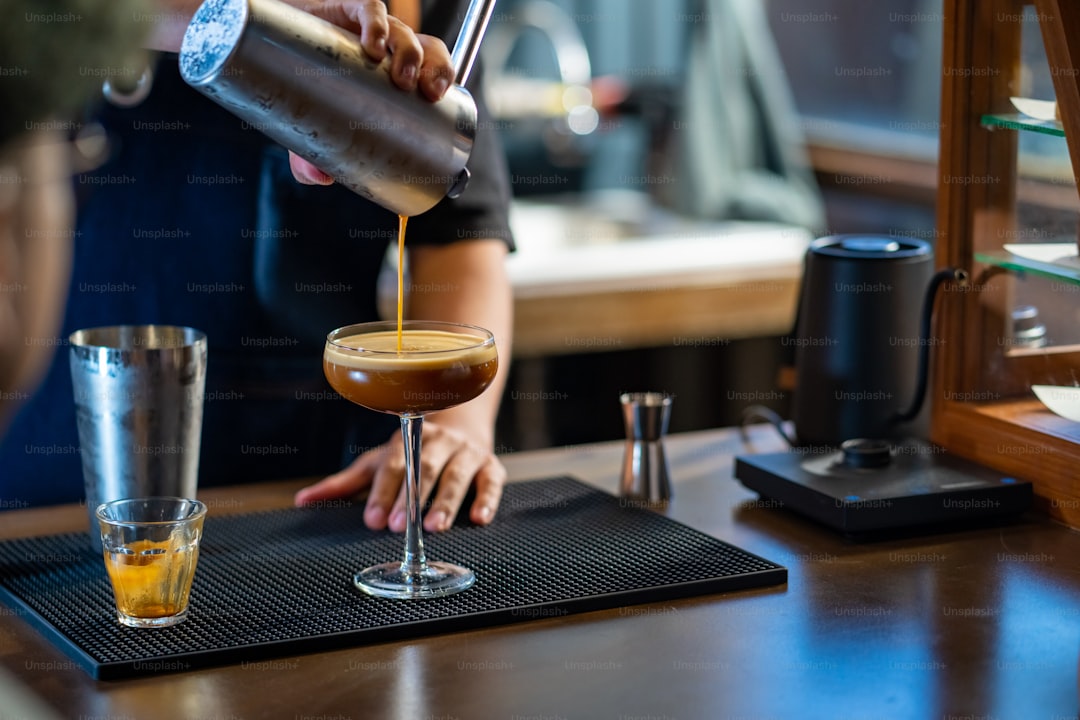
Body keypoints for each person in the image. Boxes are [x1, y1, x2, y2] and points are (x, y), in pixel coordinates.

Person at [0, 0, 516, 535]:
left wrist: (454, 425)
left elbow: (460, 239)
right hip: (55, 480)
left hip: (307, 496)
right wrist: (266, 26)